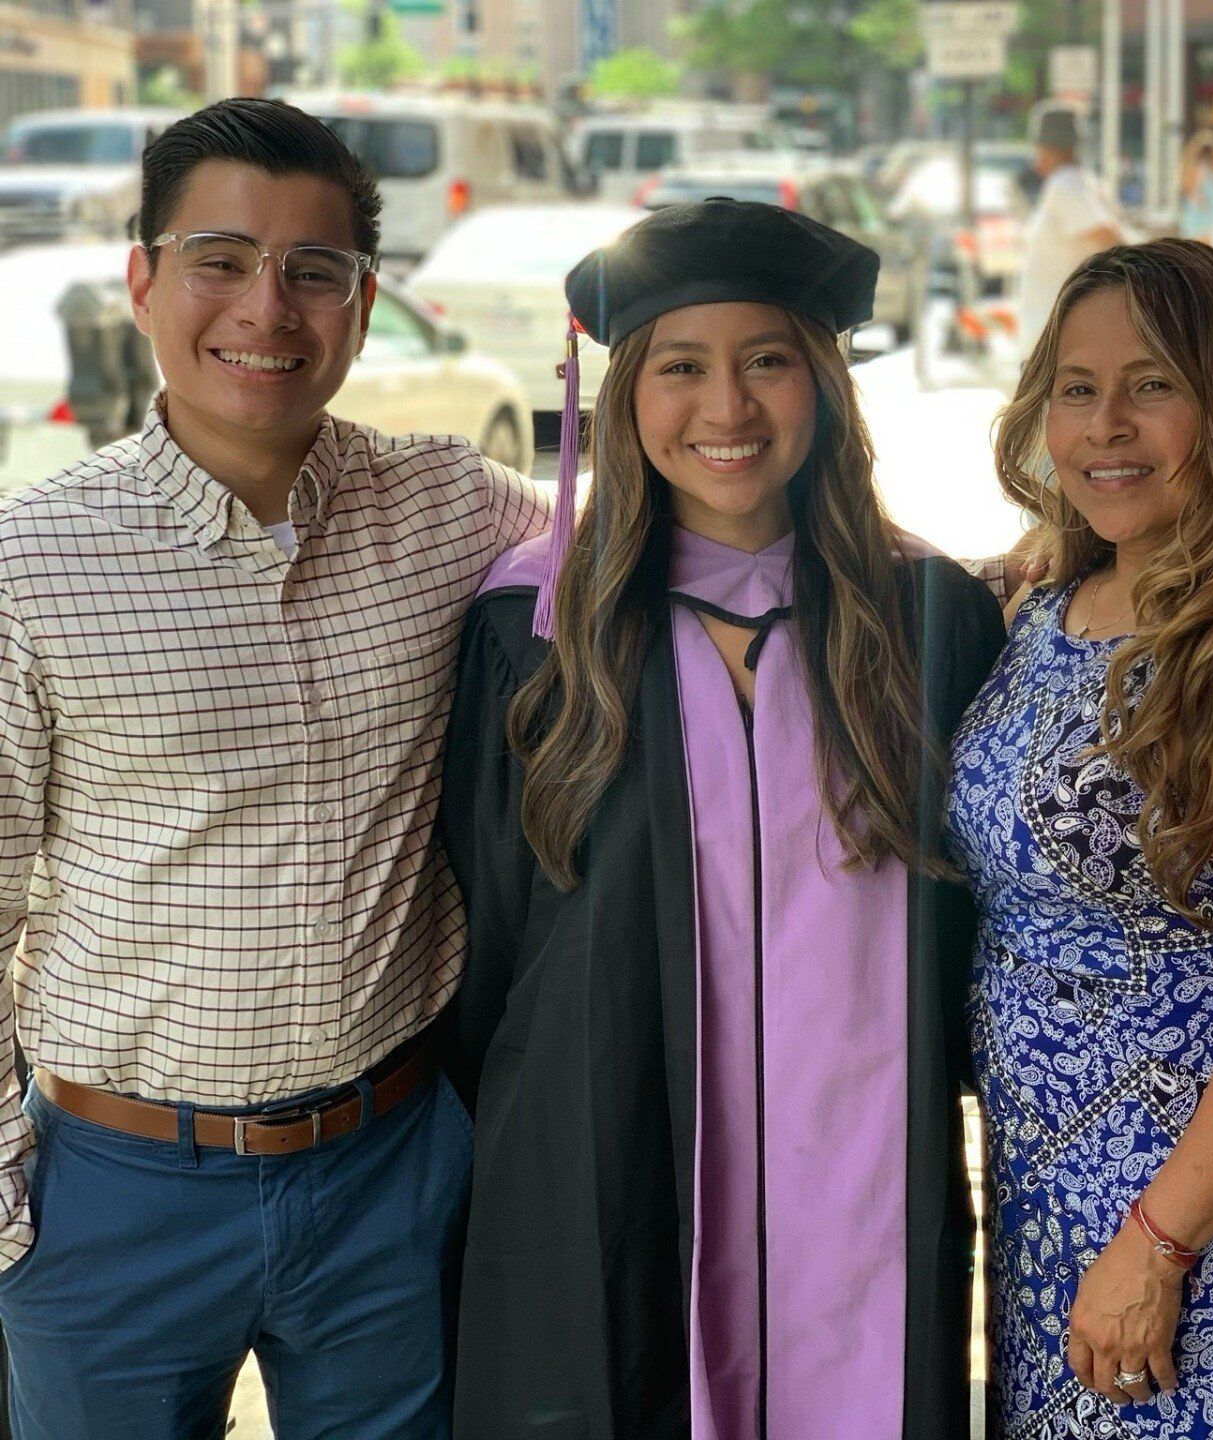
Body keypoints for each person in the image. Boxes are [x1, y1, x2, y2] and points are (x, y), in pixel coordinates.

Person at [0, 98, 548, 1439]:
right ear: (143, 280)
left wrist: (952, 574)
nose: (268, 307)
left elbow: (675, 537)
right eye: (222, 260)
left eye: (316, 270)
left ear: (363, 304)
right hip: (113, 1193)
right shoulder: (31, 566)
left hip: (391, 1172)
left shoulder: (452, 507)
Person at [439, 198, 1004, 1440]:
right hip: (604, 1163)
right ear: (624, 396)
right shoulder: (534, 635)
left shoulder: (927, 618)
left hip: (867, 1188)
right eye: (682, 367)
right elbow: (490, 943)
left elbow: (975, 923)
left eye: (769, 360)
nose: (728, 409)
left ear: (826, 385)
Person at [948, 238, 1213, 1435]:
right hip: (1051, 1195)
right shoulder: (1061, 596)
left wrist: (1157, 1247)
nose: (1105, 426)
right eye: (1077, 390)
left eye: (1153, 386)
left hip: (1203, 1228)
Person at [1017, 103, 1125, 357]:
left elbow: (1108, 239)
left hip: (1059, 346)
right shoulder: (1081, 182)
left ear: (1047, 147)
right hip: (1065, 341)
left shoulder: (1066, 185)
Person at [1175, 132, 1213, 244]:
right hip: (1200, 208)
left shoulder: (1210, 168)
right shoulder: (1198, 167)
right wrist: (1196, 198)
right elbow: (1189, 186)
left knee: (1204, 240)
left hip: (1206, 208)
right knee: (1198, 241)